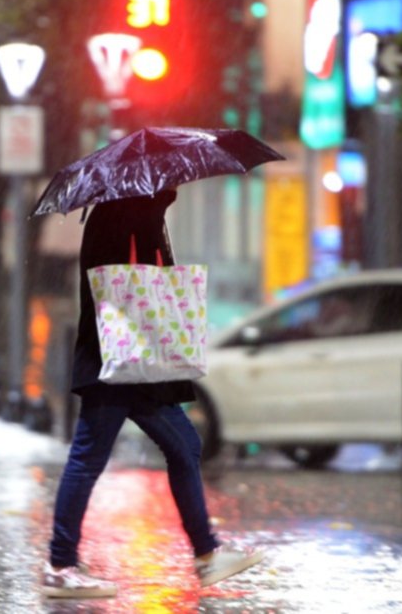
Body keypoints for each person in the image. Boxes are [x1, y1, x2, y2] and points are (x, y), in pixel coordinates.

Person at [42, 189, 263, 599]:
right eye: (166, 187)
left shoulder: (127, 213)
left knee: (184, 445)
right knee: (89, 457)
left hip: (133, 362)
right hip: (119, 360)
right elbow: (126, 284)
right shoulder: (124, 214)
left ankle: (207, 553)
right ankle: (59, 563)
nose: (173, 191)